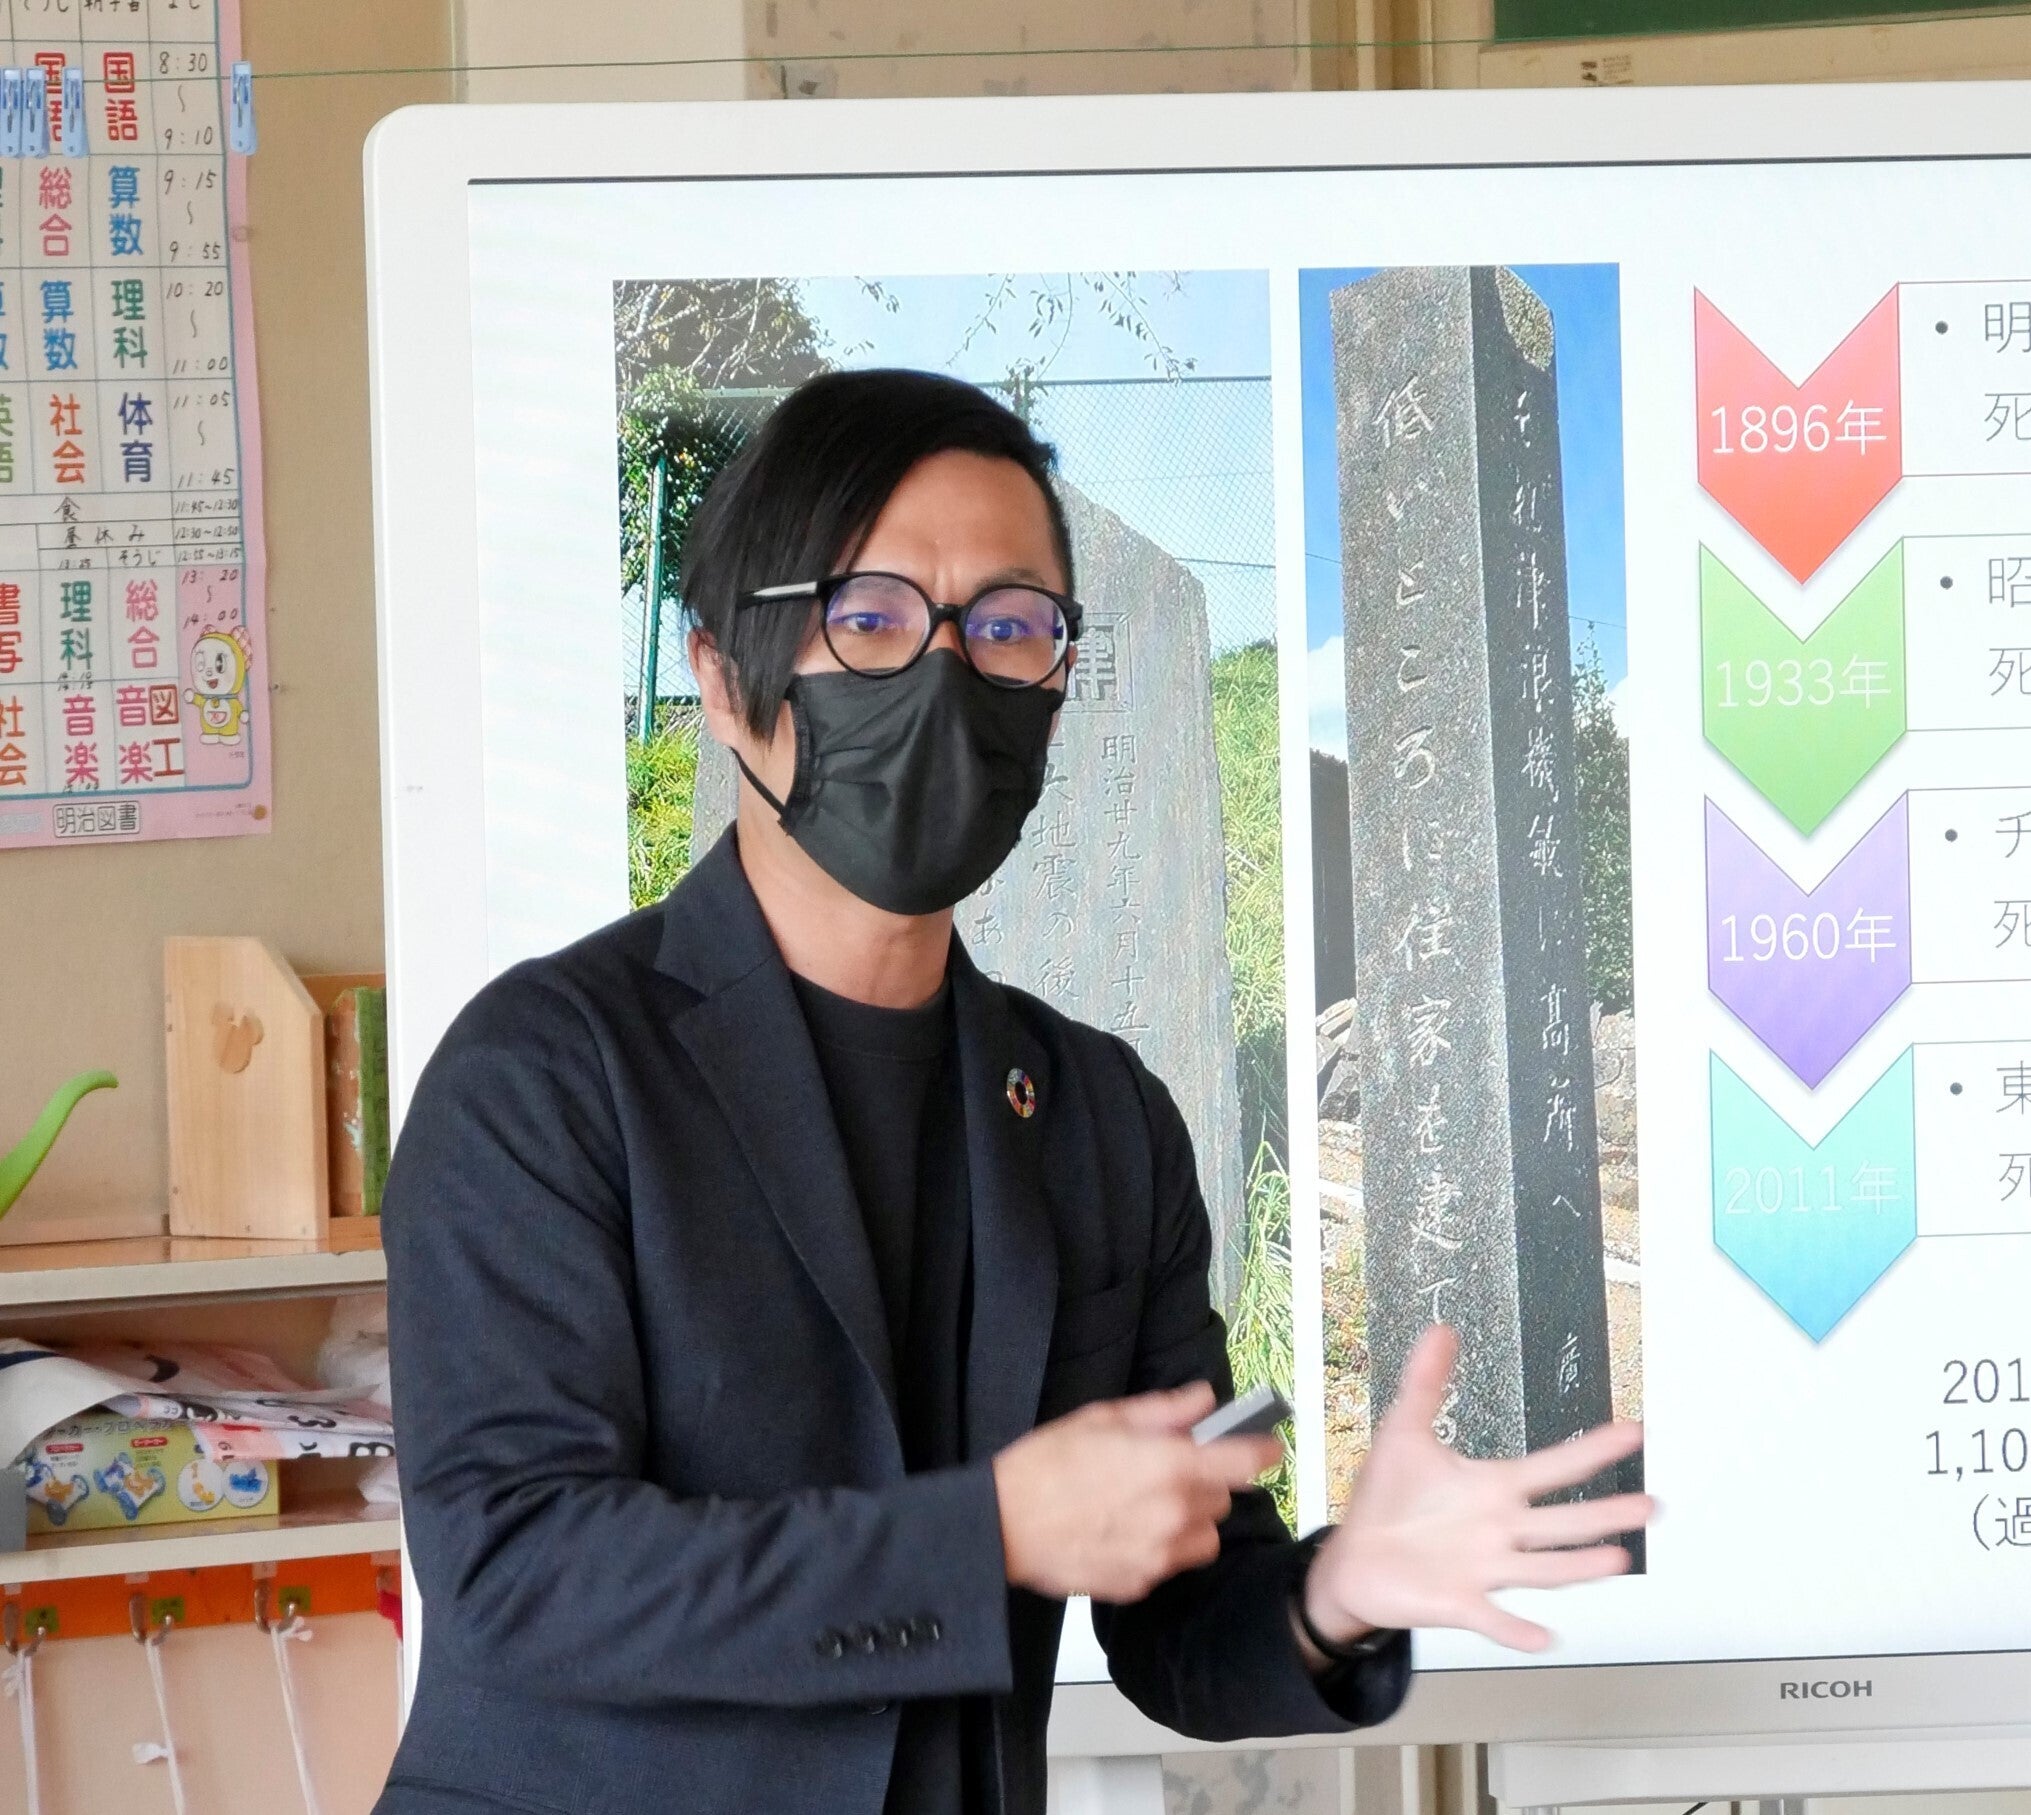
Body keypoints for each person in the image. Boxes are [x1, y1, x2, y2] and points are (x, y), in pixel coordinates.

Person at [376, 368, 1650, 1815]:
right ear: (723, 679)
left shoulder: (1100, 1118)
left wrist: (1335, 1595)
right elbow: (518, 1573)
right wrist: (985, 1536)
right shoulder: (545, 1073)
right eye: (869, 619)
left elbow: (1183, 1621)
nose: (945, 677)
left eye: (1006, 627)